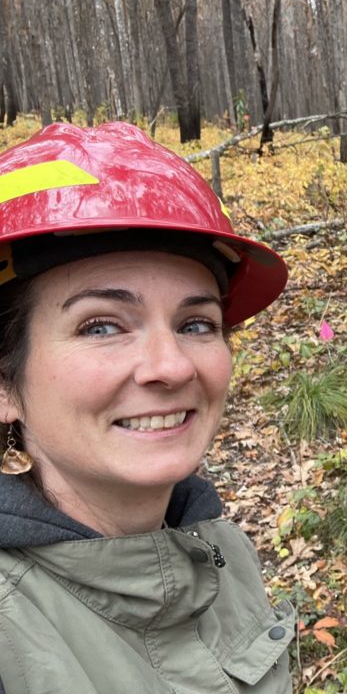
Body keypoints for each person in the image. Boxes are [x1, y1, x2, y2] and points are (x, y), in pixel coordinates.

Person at [0, 122, 294, 692]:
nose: (173, 366)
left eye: (196, 324)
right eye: (102, 326)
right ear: (5, 385)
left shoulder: (222, 551)